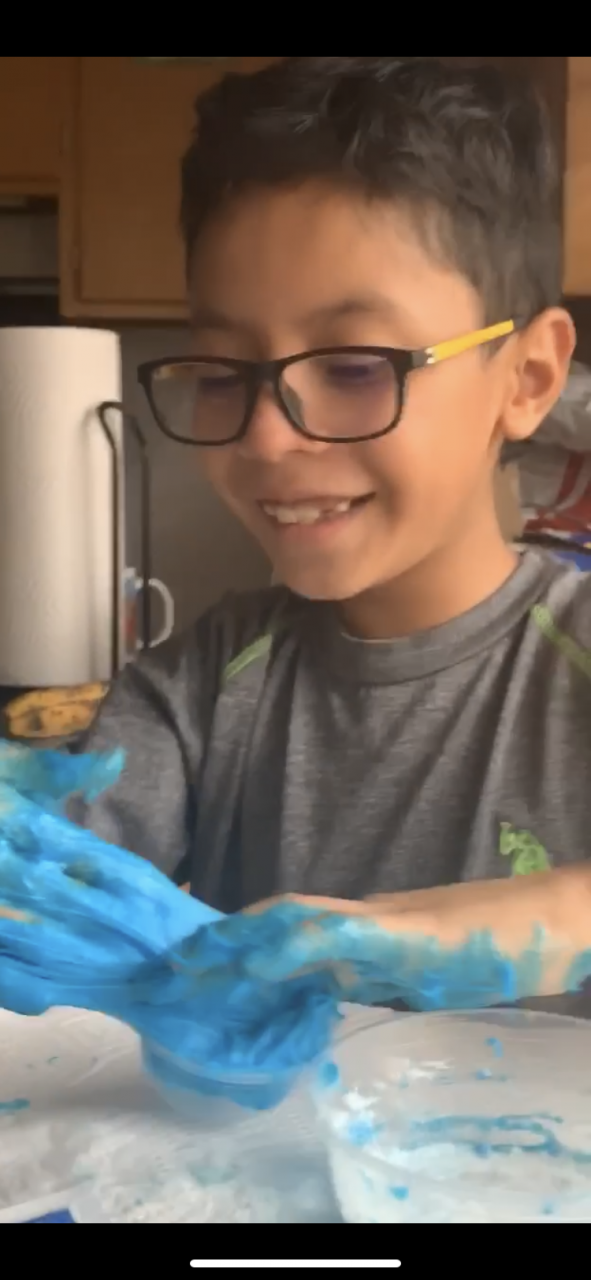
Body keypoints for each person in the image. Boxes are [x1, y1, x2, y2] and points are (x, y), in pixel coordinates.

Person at [80, 56, 591, 1011]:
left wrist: (509, 925)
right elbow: (61, 868)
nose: (267, 438)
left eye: (355, 367)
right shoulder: (198, 691)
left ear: (526, 379)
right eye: (221, 373)